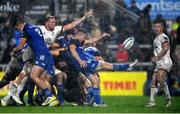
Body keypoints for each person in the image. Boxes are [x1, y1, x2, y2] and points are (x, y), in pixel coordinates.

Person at [69, 29, 137, 107]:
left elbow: (91, 41)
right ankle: (126, 66)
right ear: (80, 35)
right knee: (105, 65)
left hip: (82, 64)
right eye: (84, 37)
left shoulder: (80, 41)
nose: (85, 38)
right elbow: (72, 51)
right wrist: (80, 60)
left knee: (95, 81)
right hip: (83, 62)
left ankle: (96, 102)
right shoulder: (73, 41)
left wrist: (101, 36)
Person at [12, 17, 59, 106]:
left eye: (17, 28)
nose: (18, 30)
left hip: (42, 54)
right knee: (40, 78)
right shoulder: (35, 27)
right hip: (45, 54)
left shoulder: (25, 29)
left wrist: (13, 50)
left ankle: (50, 96)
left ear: (19, 25)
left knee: (33, 76)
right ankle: (50, 97)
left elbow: (20, 46)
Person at [145, 20, 172, 108]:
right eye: (155, 27)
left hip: (165, 60)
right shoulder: (156, 38)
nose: (156, 28)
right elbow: (159, 50)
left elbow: (165, 48)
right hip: (159, 61)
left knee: (160, 78)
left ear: (162, 28)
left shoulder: (163, 36)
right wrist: (154, 58)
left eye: (158, 26)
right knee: (153, 80)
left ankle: (168, 97)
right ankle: (152, 102)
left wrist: (158, 57)